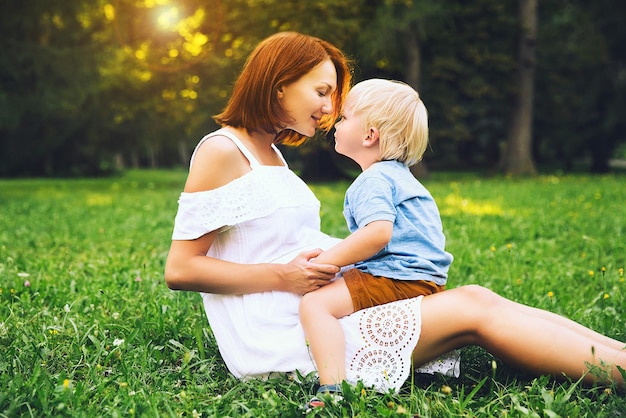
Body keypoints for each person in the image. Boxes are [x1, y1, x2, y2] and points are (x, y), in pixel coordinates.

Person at [164, 31, 626, 407]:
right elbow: (181, 270)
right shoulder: (222, 150)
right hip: (284, 329)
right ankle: (619, 374)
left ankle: (619, 357)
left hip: (319, 301)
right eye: (322, 92)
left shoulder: (273, 155)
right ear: (280, 82)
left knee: (478, 297)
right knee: (473, 310)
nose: (328, 108)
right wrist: (285, 276)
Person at [299, 79, 452, 406]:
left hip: (399, 276)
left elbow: (377, 233)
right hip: (423, 278)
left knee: (316, 305)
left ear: (370, 135)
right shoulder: (399, 176)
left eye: (344, 117)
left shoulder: (374, 179)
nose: (336, 123)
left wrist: (329, 260)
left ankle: (331, 388)